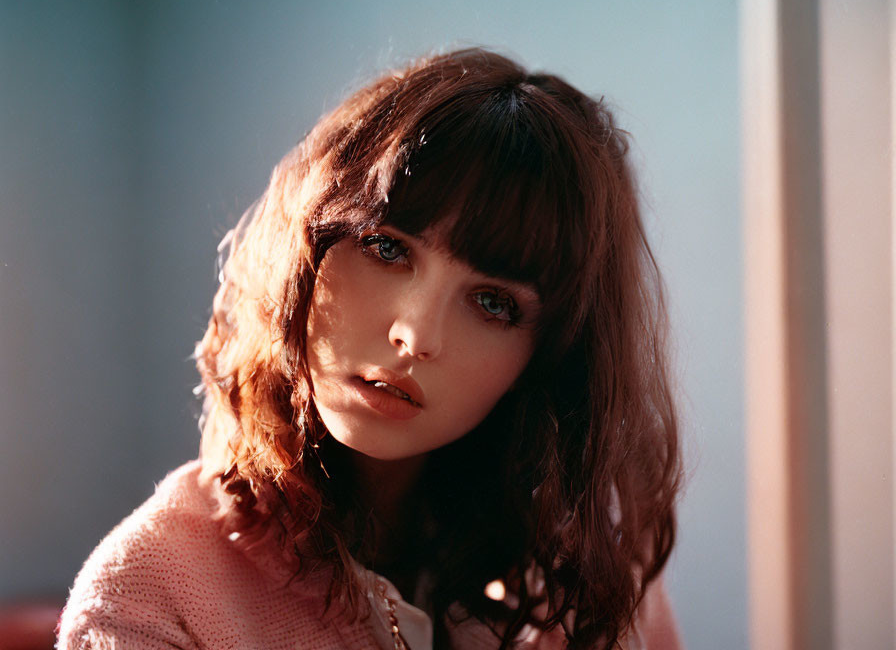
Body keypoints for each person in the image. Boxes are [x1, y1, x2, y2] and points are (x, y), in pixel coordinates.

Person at [57, 48, 683, 649]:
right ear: (308, 246)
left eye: (494, 303)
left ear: (546, 358)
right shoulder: (151, 600)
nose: (416, 335)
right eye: (387, 248)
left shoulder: (584, 575)